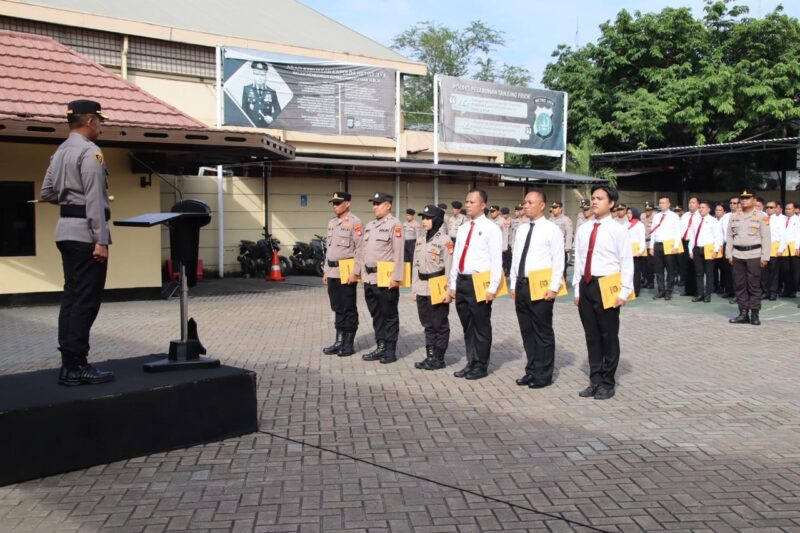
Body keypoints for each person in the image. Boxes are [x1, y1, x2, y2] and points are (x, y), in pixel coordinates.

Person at [40, 99, 114, 386]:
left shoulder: (60, 152)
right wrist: (101, 239)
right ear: (91, 121)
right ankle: (77, 365)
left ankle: (68, 364)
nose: (101, 126)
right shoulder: (90, 152)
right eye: (100, 121)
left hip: (65, 232)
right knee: (86, 300)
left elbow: (47, 192)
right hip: (86, 235)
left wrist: (70, 199)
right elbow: (95, 198)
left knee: (71, 298)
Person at [572, 184, 633, 400]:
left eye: (600, 198)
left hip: (607, 285)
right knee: (592, 336)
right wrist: (577, 289)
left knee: (608, 335)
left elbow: (626, 261)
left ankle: (608, 381)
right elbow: (579, 259)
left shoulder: (618, 230)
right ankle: (595, 379)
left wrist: (624, 292)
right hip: (586, 285)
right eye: (593, 198)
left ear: (611, 203)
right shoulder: (584, 228)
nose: (594, 201)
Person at [510, 190, 564, 389]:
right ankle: (531, 370)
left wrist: (554, 287)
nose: (525, 205)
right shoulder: (522, 229)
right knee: (527, 331)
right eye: (524, 202)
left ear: (542, 205)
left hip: (541, 287)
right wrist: (513, 282)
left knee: (542, 332)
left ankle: (543, 374)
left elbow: (559, 260)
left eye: (530, 202)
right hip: (522, 284)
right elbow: (516, 258)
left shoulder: (552, 229)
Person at [448, 189, 503, 380]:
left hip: (479, 282)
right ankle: (471, 362)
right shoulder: (463, 228)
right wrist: (453, 283)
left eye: (472, 202)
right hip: (462, 280)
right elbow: (456, 258)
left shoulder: (492, 228)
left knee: (481, 326)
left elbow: (497, 260)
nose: (468, 205)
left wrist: (492, 288)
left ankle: (481, 365)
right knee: (467, 325)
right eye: (467, 201)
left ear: (483, 205)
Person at [359, 192, 405, 363]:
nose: (375, 207)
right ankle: (381, 346)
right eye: (374, 203)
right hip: (370, 279)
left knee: (389, 315)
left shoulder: (395, 225)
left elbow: (399, 253)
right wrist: (363, 274)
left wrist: (396, 277)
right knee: (376, 315)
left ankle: (390, 351)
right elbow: (363, 251)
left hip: (386, 279)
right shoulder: (370, 225)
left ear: (388, 205)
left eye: (378, 203)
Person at [321, 191, 363, 357]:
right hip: (332, 271)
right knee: (337, 307)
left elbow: (360, 249)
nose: (335, 206)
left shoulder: (355, 222)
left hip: (346, 271)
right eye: (333, 203)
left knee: (348, 308)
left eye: (338, 203)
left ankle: (348, 343)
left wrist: (356, 272)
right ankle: (339, 341)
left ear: (347, 204)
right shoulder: (331, 223)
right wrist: (325, 270)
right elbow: (329, 249)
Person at [411, 205, 453, 370]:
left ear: (436, 220)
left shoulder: (445, 241)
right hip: (422, 286)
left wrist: (449, 290)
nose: (424, 221)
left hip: (438, 285)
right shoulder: (420, 239)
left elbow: (450, 267)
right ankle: (430, 356)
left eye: (428, 218)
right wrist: (414, 289)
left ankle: (439, 358)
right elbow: (415, 265)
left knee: (440, 323)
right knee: (427, 323)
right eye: (423, 218)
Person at [727, 190, 770, 326]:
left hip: (754, 254)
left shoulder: (761, 216)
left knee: (754, 285)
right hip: (738, 255)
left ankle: (755, 314)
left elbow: (766, 237)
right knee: (740, 285)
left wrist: (765, 257)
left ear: (753, 200)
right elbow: (729, 236)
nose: (744, 201)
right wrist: (729, 254)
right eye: (742, 198)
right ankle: (743, 313)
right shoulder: (734, 216)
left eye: (747, 198)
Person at [687, 200, 723, 303]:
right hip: (697, 249)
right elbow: (692, 236)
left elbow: (718, 237)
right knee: (699, 273)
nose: (701, 209)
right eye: (700, 207)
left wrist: (716, 250)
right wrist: (691, 250)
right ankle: (700, 294)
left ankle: (708, 294)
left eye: (703, 208)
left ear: (708, 209)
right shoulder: (695, 220)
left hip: (709, 249)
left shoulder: (713, 221)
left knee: (709, 273)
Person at [649, 195, 682, 300]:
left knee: (670, 270)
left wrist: (676, 246)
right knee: (658, 270)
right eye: (660, 203)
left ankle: (669, 291)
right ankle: (661, 290)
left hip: (669, 245)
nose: (661, 205)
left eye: (664, 203)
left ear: (669, 204)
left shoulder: (674, 216)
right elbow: (653, 232)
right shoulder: (656, 216)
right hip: (658, 245)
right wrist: (651, 246)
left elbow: (678, 232)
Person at [241, 61, 281, 128]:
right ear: (253, 75)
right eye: (257, 74)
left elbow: (278, 110)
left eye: (262, 75)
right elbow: (244, 110)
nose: (259, 77)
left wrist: (272, 118)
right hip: (251, 127)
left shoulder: (271, 91)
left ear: (266, 76)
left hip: (267, 127)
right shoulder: (246, 89)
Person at [765, 201, 786, 300]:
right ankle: (765, 291)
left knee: (774, 271)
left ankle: (773, 292)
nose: (769, 209)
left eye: (771, 207)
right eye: (767, 207)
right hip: (764, 248)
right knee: (764, 272)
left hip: (775, 247)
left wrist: (781, 249)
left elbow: (783, 236)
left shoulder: (779, 220)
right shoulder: (763, 219)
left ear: (775, 209)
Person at [679, 197, 700, 296]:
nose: (691, 204)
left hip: (694, 243)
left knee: (695, 267)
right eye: (689, 202)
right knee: (684, 266)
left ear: (698, 204)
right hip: (684, 242)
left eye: (693, 203)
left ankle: (696, 290)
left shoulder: (700, 216)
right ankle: (688, 289)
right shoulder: (685, 215)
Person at [720, 196, 739, 302]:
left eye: (735, 203)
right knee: (727, 270)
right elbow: (720, 232)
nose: (733, 205)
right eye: (731, 203)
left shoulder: (742, 215)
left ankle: (738, 294)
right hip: (726, 245)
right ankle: (729, 290)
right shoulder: (725, 216)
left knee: (736, 271)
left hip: (737, 246)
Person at [549, 201, 573, 281]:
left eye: (555, 208)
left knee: (561, 266)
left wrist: (568, 246)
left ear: (561, 209)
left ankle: (562, 283)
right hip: (550, 248)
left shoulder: (566, 219)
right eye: (553, 207)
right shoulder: (550, 220)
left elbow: (569, 233)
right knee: (550, 266)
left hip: (561, 248)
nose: (553, 209)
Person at [780, 201, 799, 299]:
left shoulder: (798, 219)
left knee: (795, 270)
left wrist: (797, 247)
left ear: (795, 209)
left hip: (794, 247)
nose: (788, 210)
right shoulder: (783, 219)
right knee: (785, 270)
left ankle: (794, 290)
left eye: (790, 208)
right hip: (784, 247)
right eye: (786, 209)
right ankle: (787, 289)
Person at [626, 207, 646, 297]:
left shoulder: (639, 225)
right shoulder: (626, 224)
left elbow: (642, 239)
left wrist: (641, 250)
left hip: (636, 252)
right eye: (627, 213)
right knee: (628, 271)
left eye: (630, 213)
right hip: (627, 251)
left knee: (636, 271)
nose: (628, 215)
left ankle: (636, 290)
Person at [641, 201, 656, 289]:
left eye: (649, 210)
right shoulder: (642, 216)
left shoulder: (655, 216)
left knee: (651, 264)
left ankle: (651, 282)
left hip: (651, 242)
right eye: (646, 210)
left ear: (652, 210)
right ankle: (646, 279)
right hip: (643, 242)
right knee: (644, 264)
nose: (647, 212)